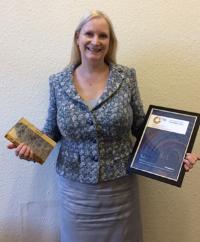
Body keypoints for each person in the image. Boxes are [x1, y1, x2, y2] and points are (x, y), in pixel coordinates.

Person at [7, 10, 199, 242]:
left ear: (110, 42)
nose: (95, 41)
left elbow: (140, 126)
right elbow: (52, 131)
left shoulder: (126, 77)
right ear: (78, 38)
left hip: (120, 190)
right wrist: (31, 149)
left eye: (103, 36)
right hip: (75, 193)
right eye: (89, 34)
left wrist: (175, 153)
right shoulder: (57, 82)